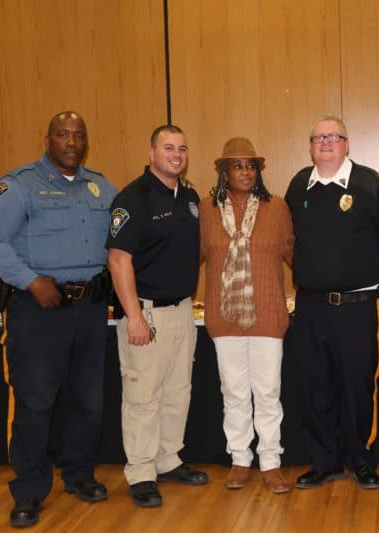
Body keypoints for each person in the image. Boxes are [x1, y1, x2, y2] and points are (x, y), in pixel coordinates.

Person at [0, 111, 116, 527]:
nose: (71, 142)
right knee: (35, 404)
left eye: (78, 135)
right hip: (38, 312)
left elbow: (122, 239)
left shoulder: (101, 185)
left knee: (88, 402)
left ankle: (79, 474)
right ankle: (29, 489)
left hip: (90, 310)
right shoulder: (20, 184)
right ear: (49, 139)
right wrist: (28, 280)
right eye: (63, 134)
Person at [284, 115, 379, 490]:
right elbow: (288, 242)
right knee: (315, 387)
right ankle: (325, 462)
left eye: (333, 136)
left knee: (358, 387)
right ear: (310, 146)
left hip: (358, 307)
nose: (325, 142)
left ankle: (361, 459)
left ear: (346, 144)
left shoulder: (370, 183)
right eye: (318, 137)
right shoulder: (297, 186)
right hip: (310, 308)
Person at [107, 124, 207, 508]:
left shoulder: (191, 196)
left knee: (177, 392)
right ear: (151, 154)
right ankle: (142, 471)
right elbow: (118, 260)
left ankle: (167, 459)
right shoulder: (133, 198)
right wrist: (132, 316)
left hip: (182, 310)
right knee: (142, 397)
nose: (176, 155)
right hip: (144, 313)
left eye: (182, 148)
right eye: (168, 148)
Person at [199, 137, 294, 493]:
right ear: (223, 171)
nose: (245, 172)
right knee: (234, 393)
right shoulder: (206, 210)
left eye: (250, 165)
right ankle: (240, 459)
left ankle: (270, 462)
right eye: (237, 165)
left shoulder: (278, 208)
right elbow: (187, 256)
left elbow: (296, 255)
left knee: (268, 393)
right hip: (224, 318)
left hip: (268, 316)